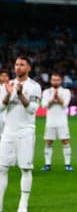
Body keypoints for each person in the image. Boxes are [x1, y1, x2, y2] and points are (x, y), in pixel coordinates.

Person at [0, 56, 42, 212]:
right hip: (8, 133)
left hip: (25, 132)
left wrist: (19, 93)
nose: (18, 67)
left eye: (22, 65)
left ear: (29, 68)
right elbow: (0, 108)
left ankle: (23, 205)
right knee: (1, 169)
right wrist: (8, 94)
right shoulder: (6, 85)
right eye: (16, 64)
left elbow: (32, 109)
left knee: (25, 169)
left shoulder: (34, 86)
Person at [40, 73, 73, 172]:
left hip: (62, 121)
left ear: (61, 81)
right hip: (50, 121)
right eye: (53, 79)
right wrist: (52, 99)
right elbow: (44, 105)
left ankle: (67, 164)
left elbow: (65, 104)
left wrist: (57, 97)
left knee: (65, 141)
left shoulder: (66, 91)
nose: (55, 81)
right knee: (48, 142)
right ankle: (47, 164)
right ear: (51, 81)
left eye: (57, 80)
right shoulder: (46, 92)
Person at [0, 69, 9, 140]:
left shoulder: (11, 88)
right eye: (2, 76)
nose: (4, 78)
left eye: (6, 76)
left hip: (8, 115)